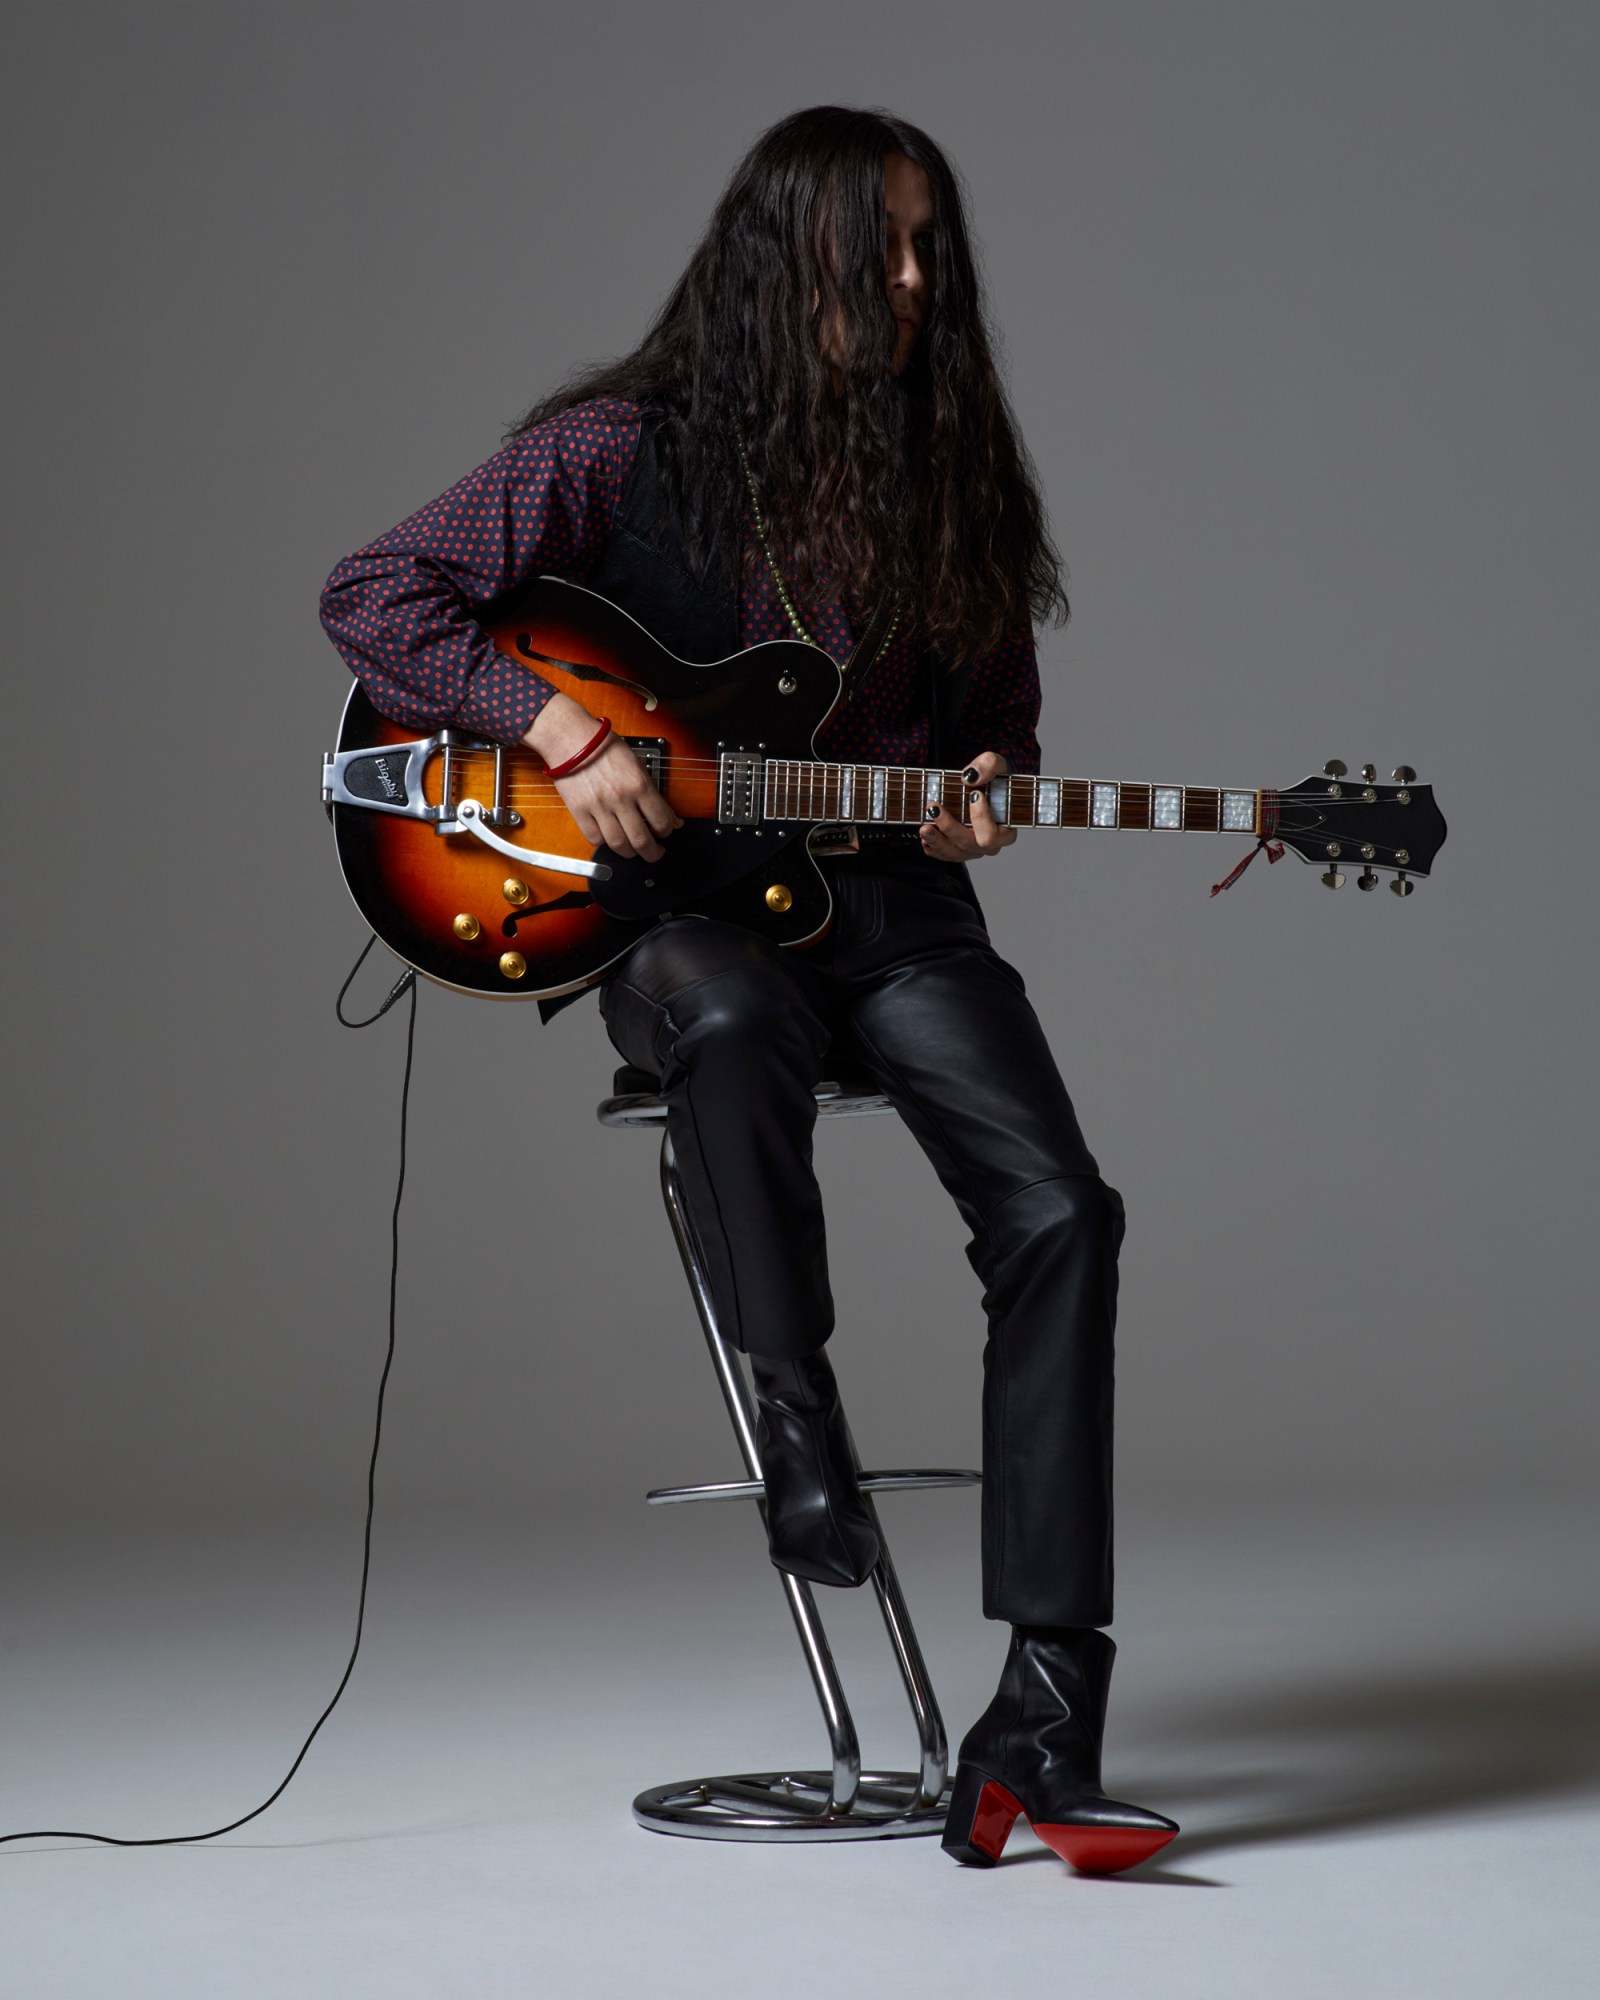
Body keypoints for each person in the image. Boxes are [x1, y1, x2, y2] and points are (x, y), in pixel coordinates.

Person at [321, 106, 1177, 1875]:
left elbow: (994, 719)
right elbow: (374, 594)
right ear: (791, 264)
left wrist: (992, 782)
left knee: (1066, 1214)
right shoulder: (613, 453)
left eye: (934, 248)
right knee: (722, 1017)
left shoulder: (950, 481)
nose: (925, 284)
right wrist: (554, 724)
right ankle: (803, 1431)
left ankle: (1048, 1710)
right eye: (887, 251)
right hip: (680, 919)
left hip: (892, 914)